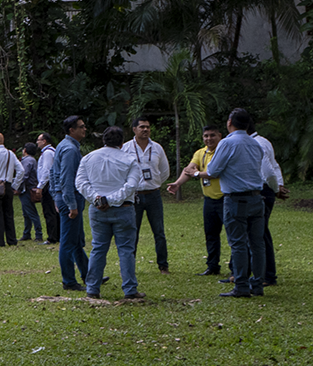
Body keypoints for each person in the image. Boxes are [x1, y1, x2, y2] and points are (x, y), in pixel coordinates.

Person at [194, 108, 265, 298]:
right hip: (257, 198)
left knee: (238, 243)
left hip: (236, 198)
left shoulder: (227, 143)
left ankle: (241, 285)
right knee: (257, 244)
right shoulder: (256, 143)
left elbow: (213, 170)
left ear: (229, 123)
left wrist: (195, 174)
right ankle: (257, 284)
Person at [76, 126, 145, 300]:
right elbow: (131, 185)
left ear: (103, 140)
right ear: (122, 142)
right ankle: (129, 289)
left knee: (98, 248)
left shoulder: (88, 158)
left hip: (98, 209)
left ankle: (92, 288)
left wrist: (97, 199)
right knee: (126, 250)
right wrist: (113, 199)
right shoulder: (129, 160)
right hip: (124, 208)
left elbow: (81, 182)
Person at [167, 126, 224, 275]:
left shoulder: (224, 151)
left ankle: (236, 268)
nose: (209, 139)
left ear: (220, 135)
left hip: (226, 199)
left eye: (212, 135)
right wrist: (178, 183)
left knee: (233, 235)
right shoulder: (201, 153)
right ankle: (212, 266)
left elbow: (213, 173)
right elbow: (189, 169)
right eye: (206, 136)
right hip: (209, 200)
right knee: (211, 234)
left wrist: (197, 173)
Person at [123, 117, 171, 274]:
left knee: (159, 232)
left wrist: (154, 183)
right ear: (134, 129)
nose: (145, 130)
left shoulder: (157, 148)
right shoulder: (126, 148)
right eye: (142, 127)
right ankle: (130, 265)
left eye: (148, 127)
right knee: (132, 232)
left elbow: (164, 171)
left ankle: (163, 265)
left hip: (153, 195)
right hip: (134, 196)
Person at [51, 116, 90, 290]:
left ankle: (89, 273)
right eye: (81, 127)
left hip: (65, 197)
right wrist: (71, 204)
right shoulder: (70, 150)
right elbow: (66, 179)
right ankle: (69, 281)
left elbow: (53, 174)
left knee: (74, 240)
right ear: (71, 130)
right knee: (67, 242)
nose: (85, 129)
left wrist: (56, 196)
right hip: (70, 197)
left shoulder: (64, 145)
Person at [252, 127, 289, 286]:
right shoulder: (263, 141)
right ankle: (261, 273)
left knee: (259, 233)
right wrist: (278, 185)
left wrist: (275, 188)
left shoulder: (255, 144)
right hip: (267, 188)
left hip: (262, 189)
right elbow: (275, 166)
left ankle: (267, 275)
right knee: (260, 232)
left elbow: (268, 171)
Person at [33, 133, 60, 244]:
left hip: (48, 185)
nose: (37, 142)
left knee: (49, 211)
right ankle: (57, 235)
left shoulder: (48, 153)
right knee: (53, 211)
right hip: (50, 184)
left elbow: (46, 170)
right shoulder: (51, 152)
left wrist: (40, 186)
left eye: (39, 140)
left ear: (44, 141)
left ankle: (52, 237)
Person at [17, 141, 43, 241]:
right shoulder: (33, 160)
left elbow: (24, 175)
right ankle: (26, 233)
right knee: (26, 213)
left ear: (25, 150)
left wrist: (16, 186)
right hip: (29, 188)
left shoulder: (27, 161)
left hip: (27, 189)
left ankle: (38, 234)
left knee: (31, 212)